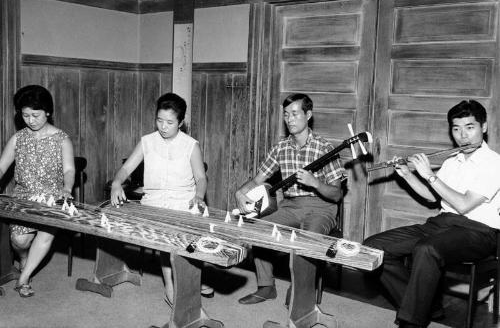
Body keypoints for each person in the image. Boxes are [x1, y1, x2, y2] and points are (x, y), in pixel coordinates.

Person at [364, 100, 500, 328]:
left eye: (470, 127)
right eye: (456, 129)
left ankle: (411, 322)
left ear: (484, 127)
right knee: (373, 247)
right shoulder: (451, 161)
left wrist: (429, 175)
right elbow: (432, 197)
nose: (462, 136)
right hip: (442, 224)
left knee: (427, 249)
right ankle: (428, 307)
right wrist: (407, 174)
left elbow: (464, 204)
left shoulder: (494, 163)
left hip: (479, 232)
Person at [235, 93, 345, 305]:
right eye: (286, 115)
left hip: (321, 208)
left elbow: (337, 194)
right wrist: (239, 192)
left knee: (308, 240)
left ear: (308, 115)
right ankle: (266, 286)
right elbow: (257, 179)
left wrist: (315, 183)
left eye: (295, 114)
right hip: (291, 206)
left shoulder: (324, 148)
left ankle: (301, 289)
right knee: (259, 229)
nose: (290, 119)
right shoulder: (281, 147)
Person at [109, 92, 212, 306]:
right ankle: (170, 285)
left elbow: (201, 177)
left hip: (184, 200)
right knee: (166, 241)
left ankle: (191, 279)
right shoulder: (147, 141)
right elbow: (127, 168)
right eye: (159, 120)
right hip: (154, 202)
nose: (163, 126)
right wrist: (116, 182)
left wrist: (199, 196)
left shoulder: (190, 145)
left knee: (190, 241)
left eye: (170, 122)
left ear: (181, 123)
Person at [0, 85, 75, 298]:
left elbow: (69, 169)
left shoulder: (62, 139)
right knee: (19, 241)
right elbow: (2, 166)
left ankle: (24, 278)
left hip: (53, 195)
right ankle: (24, 259)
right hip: (23, 194)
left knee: (46, 232)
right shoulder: (18, 138)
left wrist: (67, 188)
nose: (30, 120)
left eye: (35, 115)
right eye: (25, 115)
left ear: (48, 112)